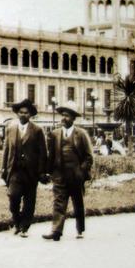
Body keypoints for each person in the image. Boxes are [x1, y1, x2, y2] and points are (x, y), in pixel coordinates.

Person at [43, 101, 93, 241]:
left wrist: (81, 171)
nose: (64, 118)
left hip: (76, 176)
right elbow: (51, 155)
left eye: (67, 116)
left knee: (78, 202)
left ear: (73, 118)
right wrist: (48, 172)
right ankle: (56, 231)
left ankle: (80, 229)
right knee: (59, 203)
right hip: (59, 175)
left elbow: (89, 157)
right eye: (63, 115)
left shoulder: (81, 134)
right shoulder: (54, 134)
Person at [1, 98, 48, 237]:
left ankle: (24, 227)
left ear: (30, 115)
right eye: (21, 112)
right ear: (17, 113)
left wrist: (41, 171)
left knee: (29, 201)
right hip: (15, 170)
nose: (23, 115)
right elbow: (6, 149)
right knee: (13, 197)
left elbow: (42, 153)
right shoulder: (10, 128)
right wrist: (3, 168)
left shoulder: (37, 130)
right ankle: (17, 220)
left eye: (26, 113)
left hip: (31, 172)